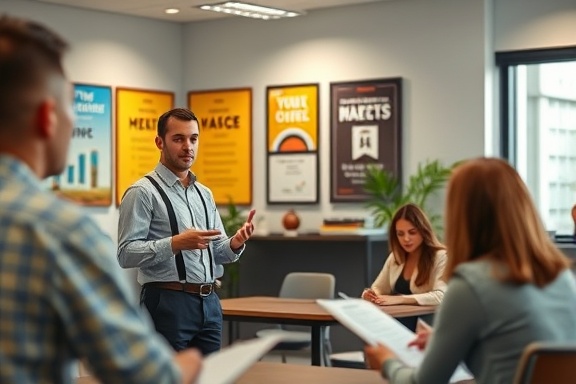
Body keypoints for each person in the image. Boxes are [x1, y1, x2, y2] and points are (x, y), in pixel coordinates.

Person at [0, 15, 201, 383]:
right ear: (48, 117)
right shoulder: (56, 230)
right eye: (70, 107)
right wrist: (188, 367)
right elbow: (143, 374)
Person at [365, 157, 576, 384]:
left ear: (462, 215)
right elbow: (514, 343)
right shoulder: (561, 276)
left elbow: (422, 382)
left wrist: (386, 361)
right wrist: (444, 340)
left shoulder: (471, 285)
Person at [117, 107, 255, 355]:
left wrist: (235, 243)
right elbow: (125, 254)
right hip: (167, 303)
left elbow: (217, 251)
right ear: (160, 142)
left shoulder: (204, 194)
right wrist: (175, 243)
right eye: (178, 139)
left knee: (209, 377)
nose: (188, 146)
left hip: (209, 302)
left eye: (193, 139)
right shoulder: (142, 192)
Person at [361, 203, 447, 330]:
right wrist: (373, 295)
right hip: (393, 325)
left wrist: (400, 299)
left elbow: (441, 296)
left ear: (423, 231)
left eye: (412, 232)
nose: (406, 239)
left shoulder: (440, 256)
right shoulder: (395, 257)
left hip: (425, 329)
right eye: (400, 234)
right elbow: (379, 287)